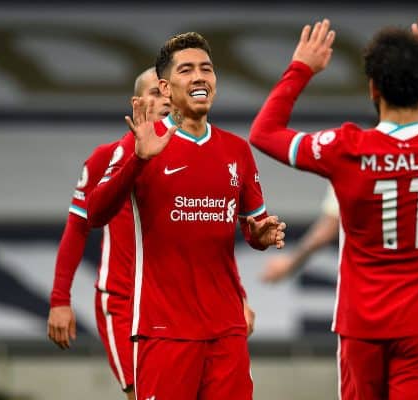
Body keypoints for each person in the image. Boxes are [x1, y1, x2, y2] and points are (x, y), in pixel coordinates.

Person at [249, 17, 418, 399]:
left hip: (362, 324)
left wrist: (301, 68)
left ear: (373, 88)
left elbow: (264, 132)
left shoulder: (344, 148)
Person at [87, 32, 285, 400]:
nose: (199, 77)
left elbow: (251, 228)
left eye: (206, 69)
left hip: (227, 330)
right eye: (187, 70)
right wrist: (138, 160)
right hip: (164, 330)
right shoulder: (140, 143)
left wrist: (261, 235)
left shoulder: (237, 150)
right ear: (165, 86)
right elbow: (95, 213)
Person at [47, 67, 256, 400]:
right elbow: (78, 226)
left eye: (168, 93)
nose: (163, 100)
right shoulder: (108, 157)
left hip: (180, 306)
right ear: (137, 102)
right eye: (155, 93)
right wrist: (60, 299)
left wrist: (239, 296)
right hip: (124, 301)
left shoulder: (196, 155)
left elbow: (207, 239)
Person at [262, 185, 418, 283]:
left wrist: (291, 264)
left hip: (369, 291)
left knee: (368, 381)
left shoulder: (353, 161)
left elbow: (325, 231)